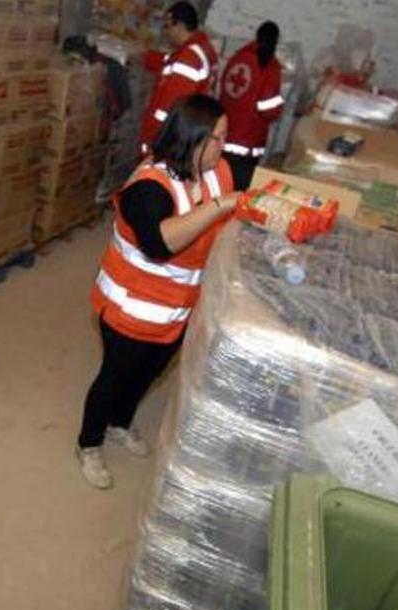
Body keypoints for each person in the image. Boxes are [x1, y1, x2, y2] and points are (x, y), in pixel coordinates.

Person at [77, 95, 241, 489]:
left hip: (179, 309)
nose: (225, 146)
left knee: (147, 375)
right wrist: (219, 206)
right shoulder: (148, 187)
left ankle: (121, 422)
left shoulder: (218, 172)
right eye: (217, 139)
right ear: (193, 139)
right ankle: (89, 443)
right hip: (130, 308)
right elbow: (159, 243)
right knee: (114, 377)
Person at [139, 1, 219, 156]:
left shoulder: (188, 58)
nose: (165, 32)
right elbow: (170, 60)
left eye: (168, 26)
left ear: (180, 26)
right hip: (188, 133)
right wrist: (146, 56)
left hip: (169, 140)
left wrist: (152, 140)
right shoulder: (203, 49)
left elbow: (169, 107)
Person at [219, 21, 285, 190]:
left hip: (224, 136)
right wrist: (280, 106)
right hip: (248, 143)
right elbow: (268, 109)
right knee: (236, 192)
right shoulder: (270, 67)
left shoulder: (238, 57)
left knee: (218, 185)